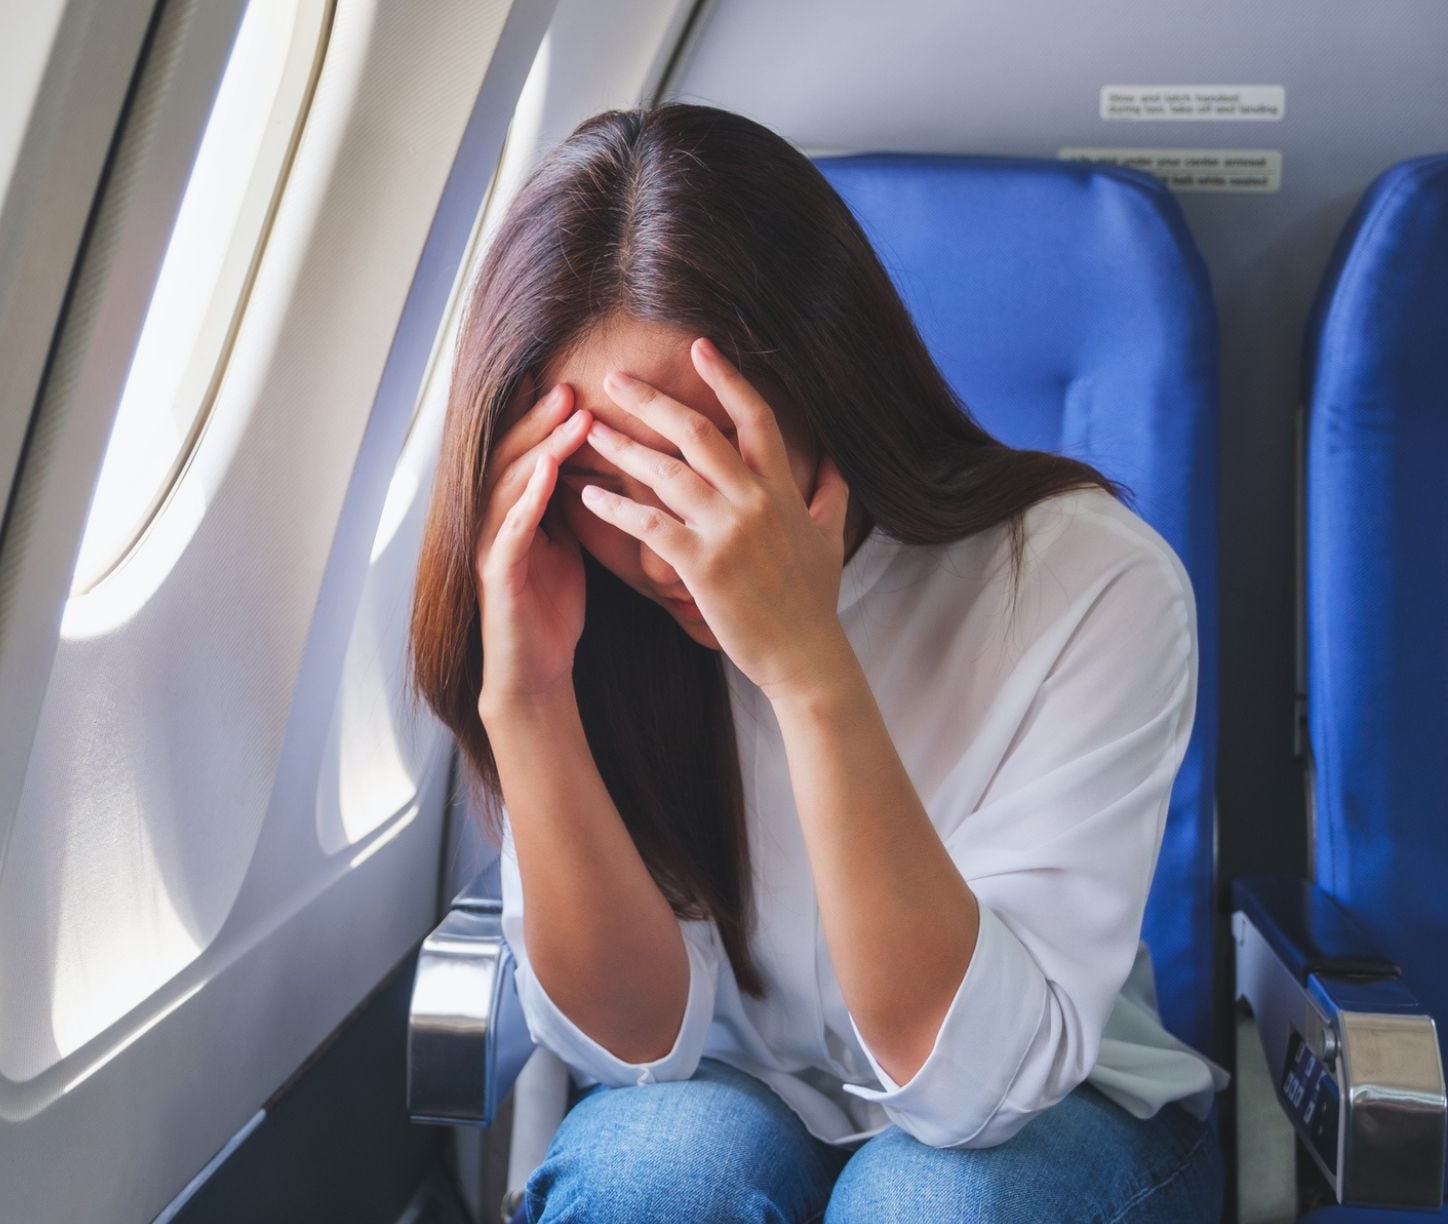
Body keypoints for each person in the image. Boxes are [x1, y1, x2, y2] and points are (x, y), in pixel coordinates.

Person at [406, 103, 1231, 1221]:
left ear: (828, 382)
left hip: (1055, 1115)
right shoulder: (580, 595)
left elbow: (975, 1093)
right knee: (651, 1180)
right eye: (610, 474)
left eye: (699, 452)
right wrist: (530, 696)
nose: (663, 537)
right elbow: (641, 1045)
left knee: (923, 1206)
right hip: (738, 1094)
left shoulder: (1089, 584)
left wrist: (808, 667)